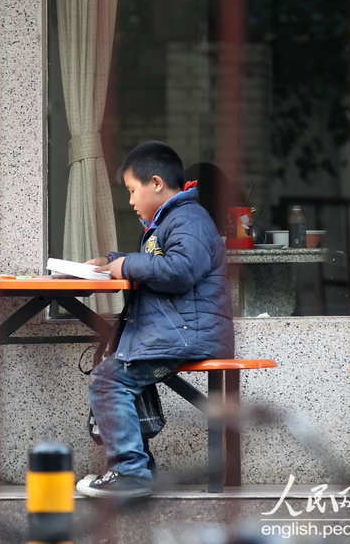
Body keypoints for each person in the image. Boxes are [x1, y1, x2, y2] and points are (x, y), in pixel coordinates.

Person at [77, 141, 234, 498]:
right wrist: (110, 261)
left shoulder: (188, 219)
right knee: (116, 372)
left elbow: (180, 270)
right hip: (177, 332)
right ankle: (139, 468)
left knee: (109, 380)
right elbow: (162, 261)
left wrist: (127, 265)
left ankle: (130, 474)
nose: (131, 201)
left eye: (133, 190)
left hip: (186, 335)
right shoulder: (172, 219)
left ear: (157, 183)